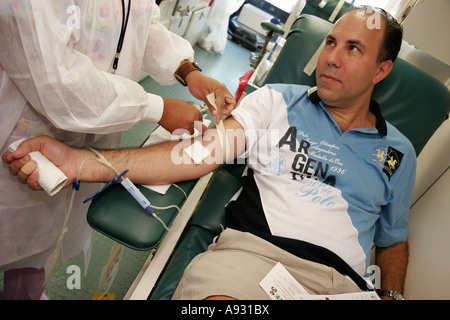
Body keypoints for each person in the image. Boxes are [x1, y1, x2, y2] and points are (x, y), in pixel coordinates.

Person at [3, 6, 415, 300]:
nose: (331, 58)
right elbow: (200, 154)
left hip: (342, 285)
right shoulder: (278, 102)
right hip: (252, 265)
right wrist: (82, 162)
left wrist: (392, 294)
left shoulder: (398, 153)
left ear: (382, 70)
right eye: (330, 42)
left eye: (353, 49)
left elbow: (393, 240)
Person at [0, 0, 235, 300]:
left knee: (44, 229)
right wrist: (157, 108)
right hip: (22, 121)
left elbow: (138, 21)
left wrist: (188, 71)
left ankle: (24, 288)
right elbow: (54, 75)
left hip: (96, 125)